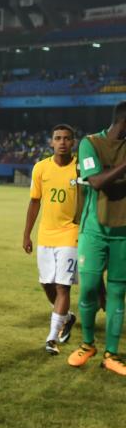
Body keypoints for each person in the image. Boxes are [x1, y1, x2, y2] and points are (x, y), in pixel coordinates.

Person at [67, 101, 126, 375]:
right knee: (89, 288)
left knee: (117, 293)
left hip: (123, 234)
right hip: (94, 231)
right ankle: (87, 344)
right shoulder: (90, 144)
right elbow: (97, 181)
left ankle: (111, 354)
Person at [22, 124, 79, 355]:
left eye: (67, 138)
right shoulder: (41, 168)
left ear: (73, 142)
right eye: (58, 138)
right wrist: (27, 234)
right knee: (46, 284)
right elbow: (35, 202)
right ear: (51, 142)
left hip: (71, 233)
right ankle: (67, 317)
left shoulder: (79, 168)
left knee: (62, 286)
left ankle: (52, 338)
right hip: (46, 234)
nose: (62, 142)